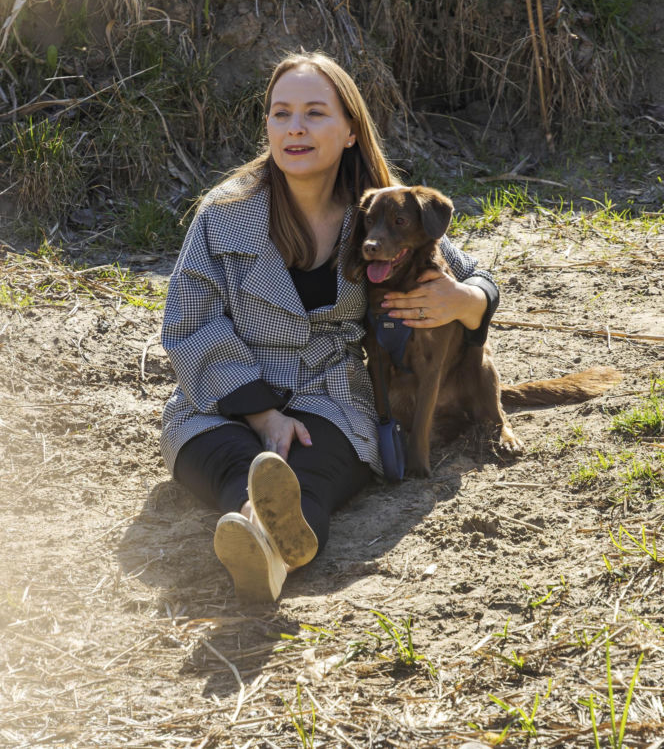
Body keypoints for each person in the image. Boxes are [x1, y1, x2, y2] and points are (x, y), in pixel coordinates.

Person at [160, 51, 499, 602]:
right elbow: (188, 322)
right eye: (281, 114)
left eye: (314, 113)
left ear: (349, 131)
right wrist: (263, 415)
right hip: (222, 396)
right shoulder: (223, 213)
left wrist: (462, 299)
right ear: (268, 126)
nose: (295, 127)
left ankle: (271, 553)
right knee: (234, 463)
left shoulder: (374, 208)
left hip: (333, 396)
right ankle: (264, 541)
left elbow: (474, 276)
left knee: (312, 478)